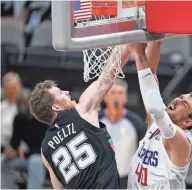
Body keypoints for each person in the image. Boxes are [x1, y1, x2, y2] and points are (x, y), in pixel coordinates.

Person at [28, 45, 132, 189]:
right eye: (61, 93)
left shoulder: (45, 149)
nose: (67, 92)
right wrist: (126, 43)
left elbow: (59, 188)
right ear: (56, 107)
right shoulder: (81, 111)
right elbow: (107, 77)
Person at [127, 42, 192, 189]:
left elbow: (154, 106)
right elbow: (150, 76)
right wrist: (156, 40)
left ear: (188, 122)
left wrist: (139, 54)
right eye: (181, 96)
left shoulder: (183, 142)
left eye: (184, 104)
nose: (177, 100)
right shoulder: (156, 124)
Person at [99, 78, 146, 188]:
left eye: (120, 93)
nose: (116, 96)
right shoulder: (96, 120)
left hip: (127, 179)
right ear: (105, 97)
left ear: (125, 98)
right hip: (101, 178)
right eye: (113, 92)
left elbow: (143, 152)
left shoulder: (136, 122)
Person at [1, 89, 48, 189]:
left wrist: (19, 153)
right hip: (27, 156)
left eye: (23, 103)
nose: (21, 106)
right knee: (4, 163)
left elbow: (42, 146)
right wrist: (11, 150)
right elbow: (15, 141)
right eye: (19, 103)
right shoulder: (19, 118)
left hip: (43, 157)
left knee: (35, 161)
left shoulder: (42, 119)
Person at [1, 72, 22, 152]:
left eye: (13, 88)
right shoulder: (1, 107)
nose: (11, 92)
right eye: (7, 88)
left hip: (19, 151)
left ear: (19, 87)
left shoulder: (25, 109)